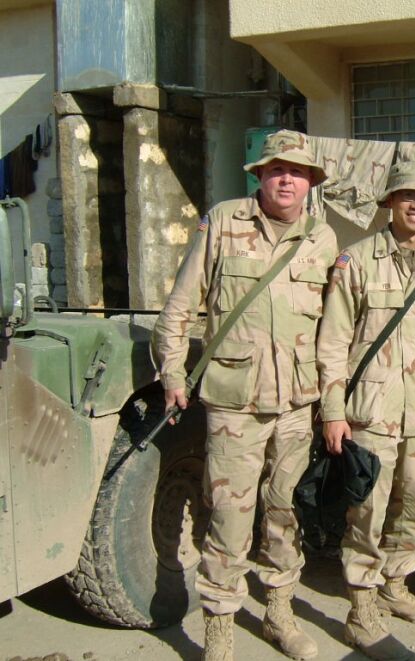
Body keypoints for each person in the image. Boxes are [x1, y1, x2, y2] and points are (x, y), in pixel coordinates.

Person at [152, 130, 338, 661]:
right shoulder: (223, 222)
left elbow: (334, 329)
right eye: (277, 169)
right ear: (260, 175)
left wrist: (332, 401)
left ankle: (279, 612)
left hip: (298, 403)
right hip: (234, 400)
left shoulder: (322, 239)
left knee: (285, 509)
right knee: (230, 514)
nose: (286, 178)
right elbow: (179, 305)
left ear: (309, 183)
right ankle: (220, 625)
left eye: (297, 172)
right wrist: (171, 372)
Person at [317, 162, 415, 661]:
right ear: (389, 203)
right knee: (367, 514)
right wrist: (333, 410)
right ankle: (361, 609)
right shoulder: (355, 261)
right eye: (407, 196)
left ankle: (396, 585)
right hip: (368, 413)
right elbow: (332, 342)